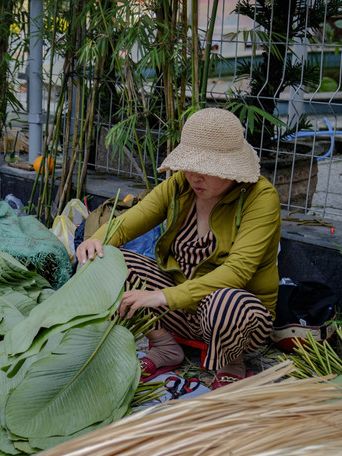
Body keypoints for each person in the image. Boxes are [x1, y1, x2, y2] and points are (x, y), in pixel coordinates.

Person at [75, 107, 281, 389]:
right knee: (110, 260)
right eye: (190, 165)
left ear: (232, 168)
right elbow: (127, 223)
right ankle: (164, 346)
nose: (194, 176)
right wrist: (96, 240)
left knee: (227, 304)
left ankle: (232, 361)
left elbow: (238, 271)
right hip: (180, 311)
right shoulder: (179, 185)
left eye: (206, 169)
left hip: (235, 316)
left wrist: (164, 296)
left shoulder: (261, 198)